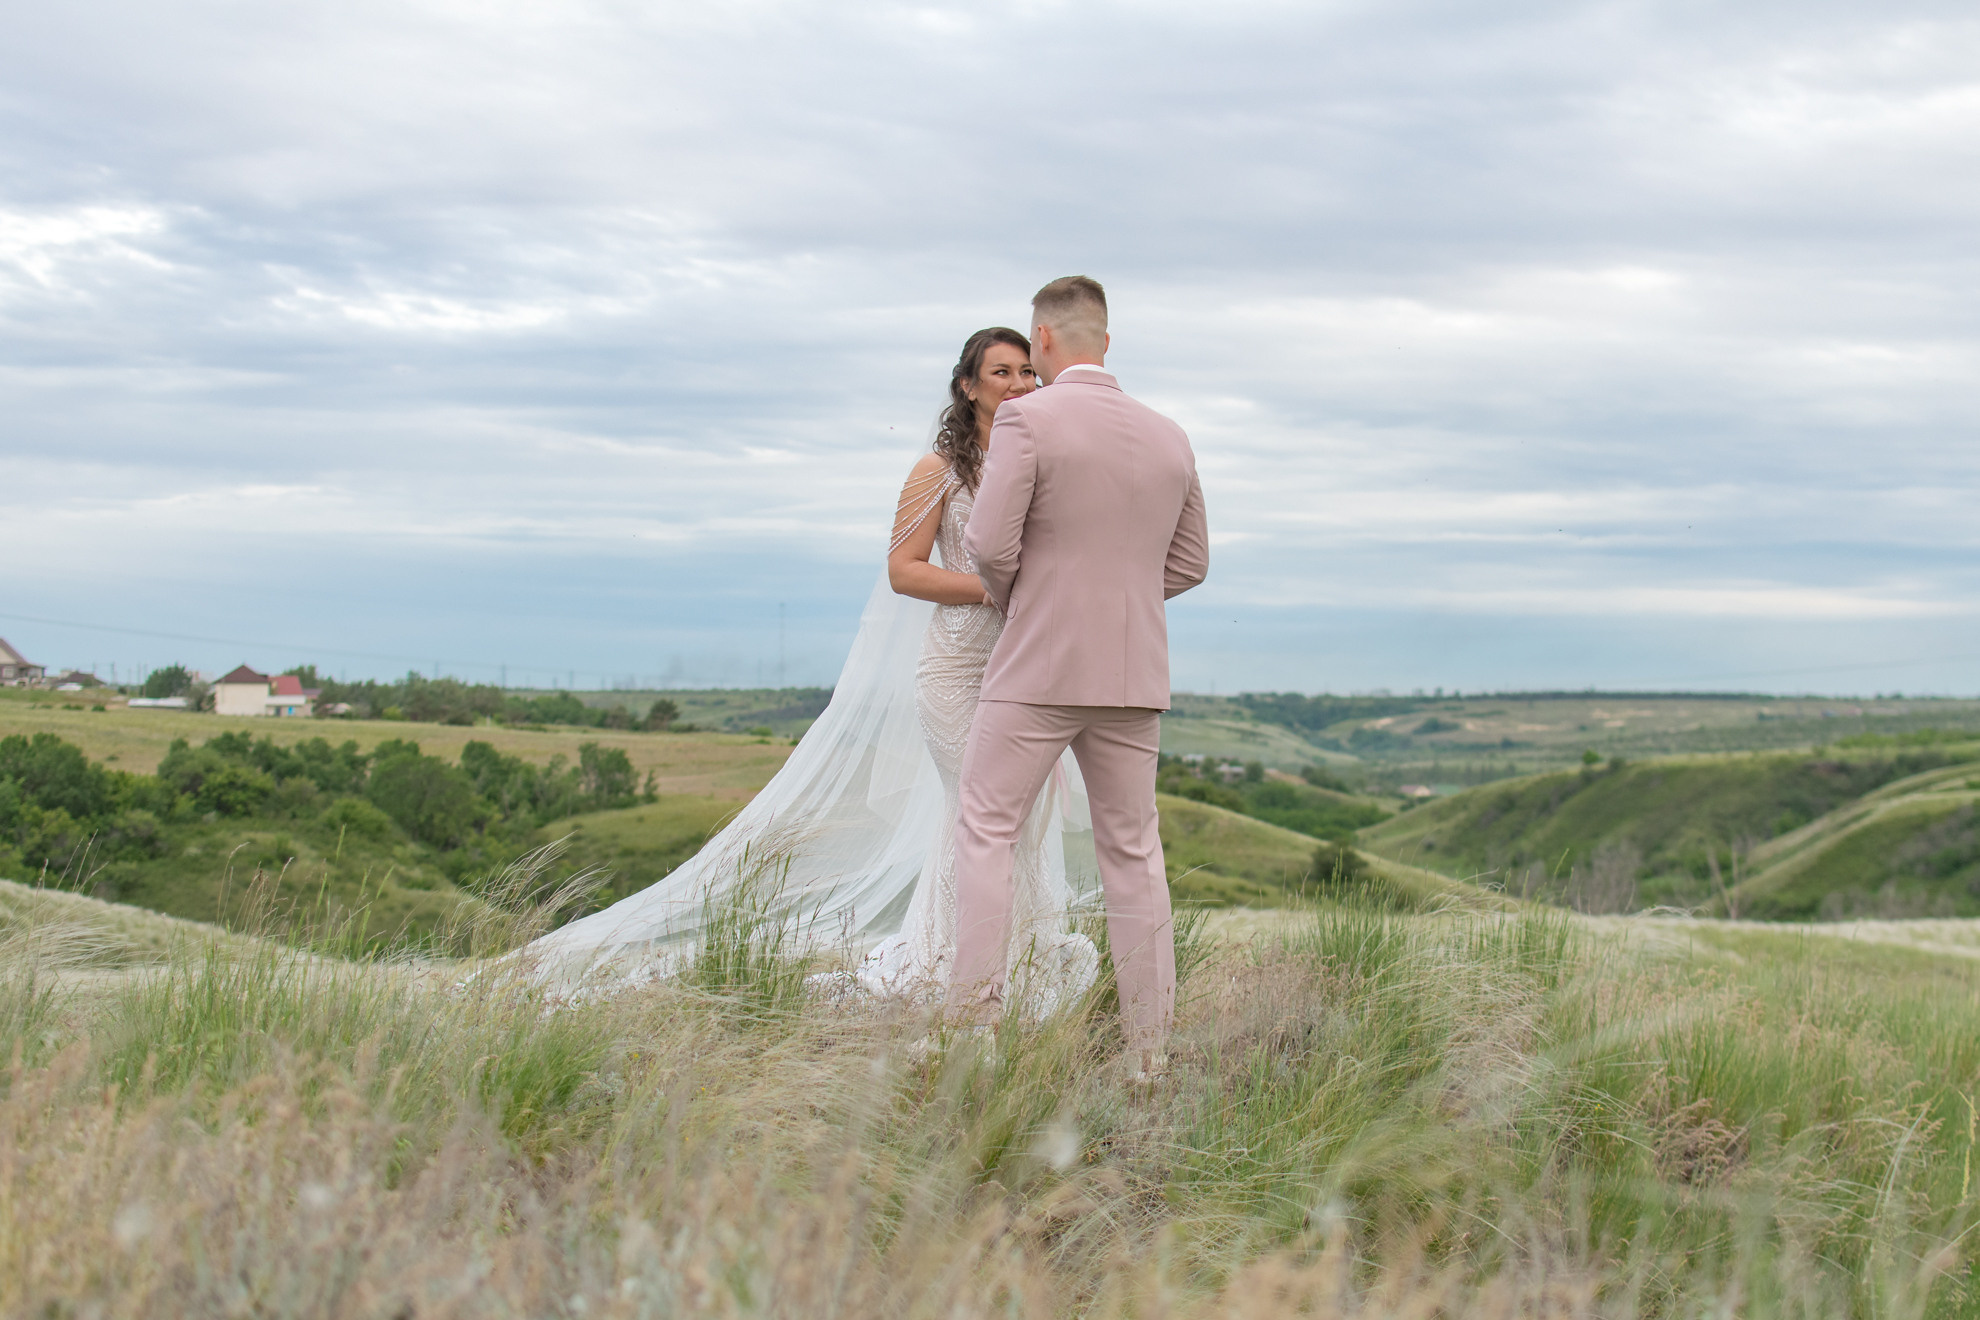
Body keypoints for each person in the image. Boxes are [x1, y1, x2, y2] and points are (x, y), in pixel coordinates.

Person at [516, 327, 1099, 1010]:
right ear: (967, 386)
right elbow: (903, 570)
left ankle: (1010, 960)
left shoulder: (1039, 464)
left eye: (1028, 372)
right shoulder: (937, 470)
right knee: (983, 812)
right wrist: (995, 589)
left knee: (1017, 815)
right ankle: (953, 967)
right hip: (955, 670)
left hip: (1021, 670)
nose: (1018, 384)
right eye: (1000, 372)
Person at [947, 276, 1210, 1082]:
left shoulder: (1028, 417)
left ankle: (973, 1033)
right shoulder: (1171, 435)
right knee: (1134, 852)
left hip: (1038, 663)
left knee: (987, 829)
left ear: (1047, 342)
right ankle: (1149, 1053)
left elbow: (989, 546)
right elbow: (1192, 563)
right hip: (1133, 674)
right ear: (1107, 339)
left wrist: (1042, 598)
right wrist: (1120, 597)